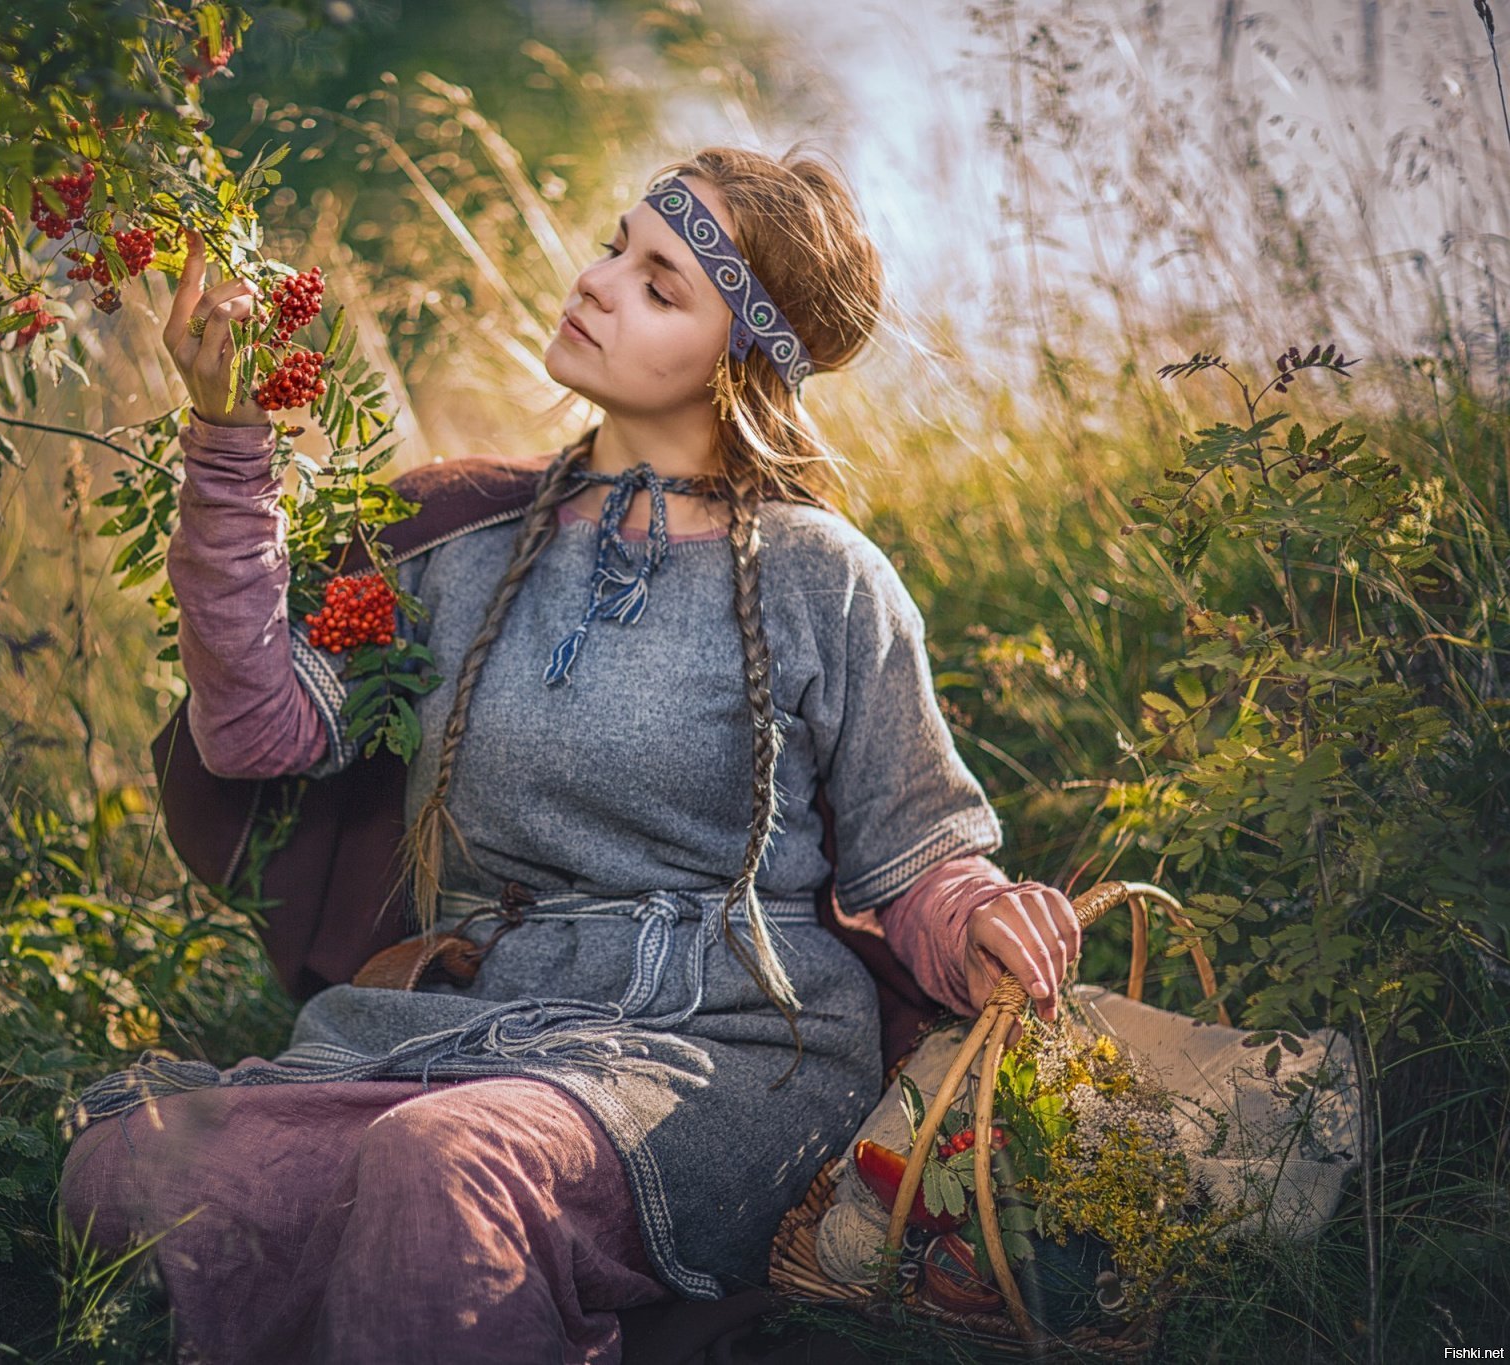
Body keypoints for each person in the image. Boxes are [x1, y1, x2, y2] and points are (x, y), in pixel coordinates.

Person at [57, 145, 1084, 1365]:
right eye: (615, 247)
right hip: (479, 1022)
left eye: (659, 286)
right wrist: (227, 443)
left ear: (739, 362)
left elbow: (916, 859)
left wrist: (977, 922)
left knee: (445, 1170)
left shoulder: (819, 577)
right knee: (129, 1168)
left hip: (725, 1051)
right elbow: (253, 732)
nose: (595, 284)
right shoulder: (461, 541)